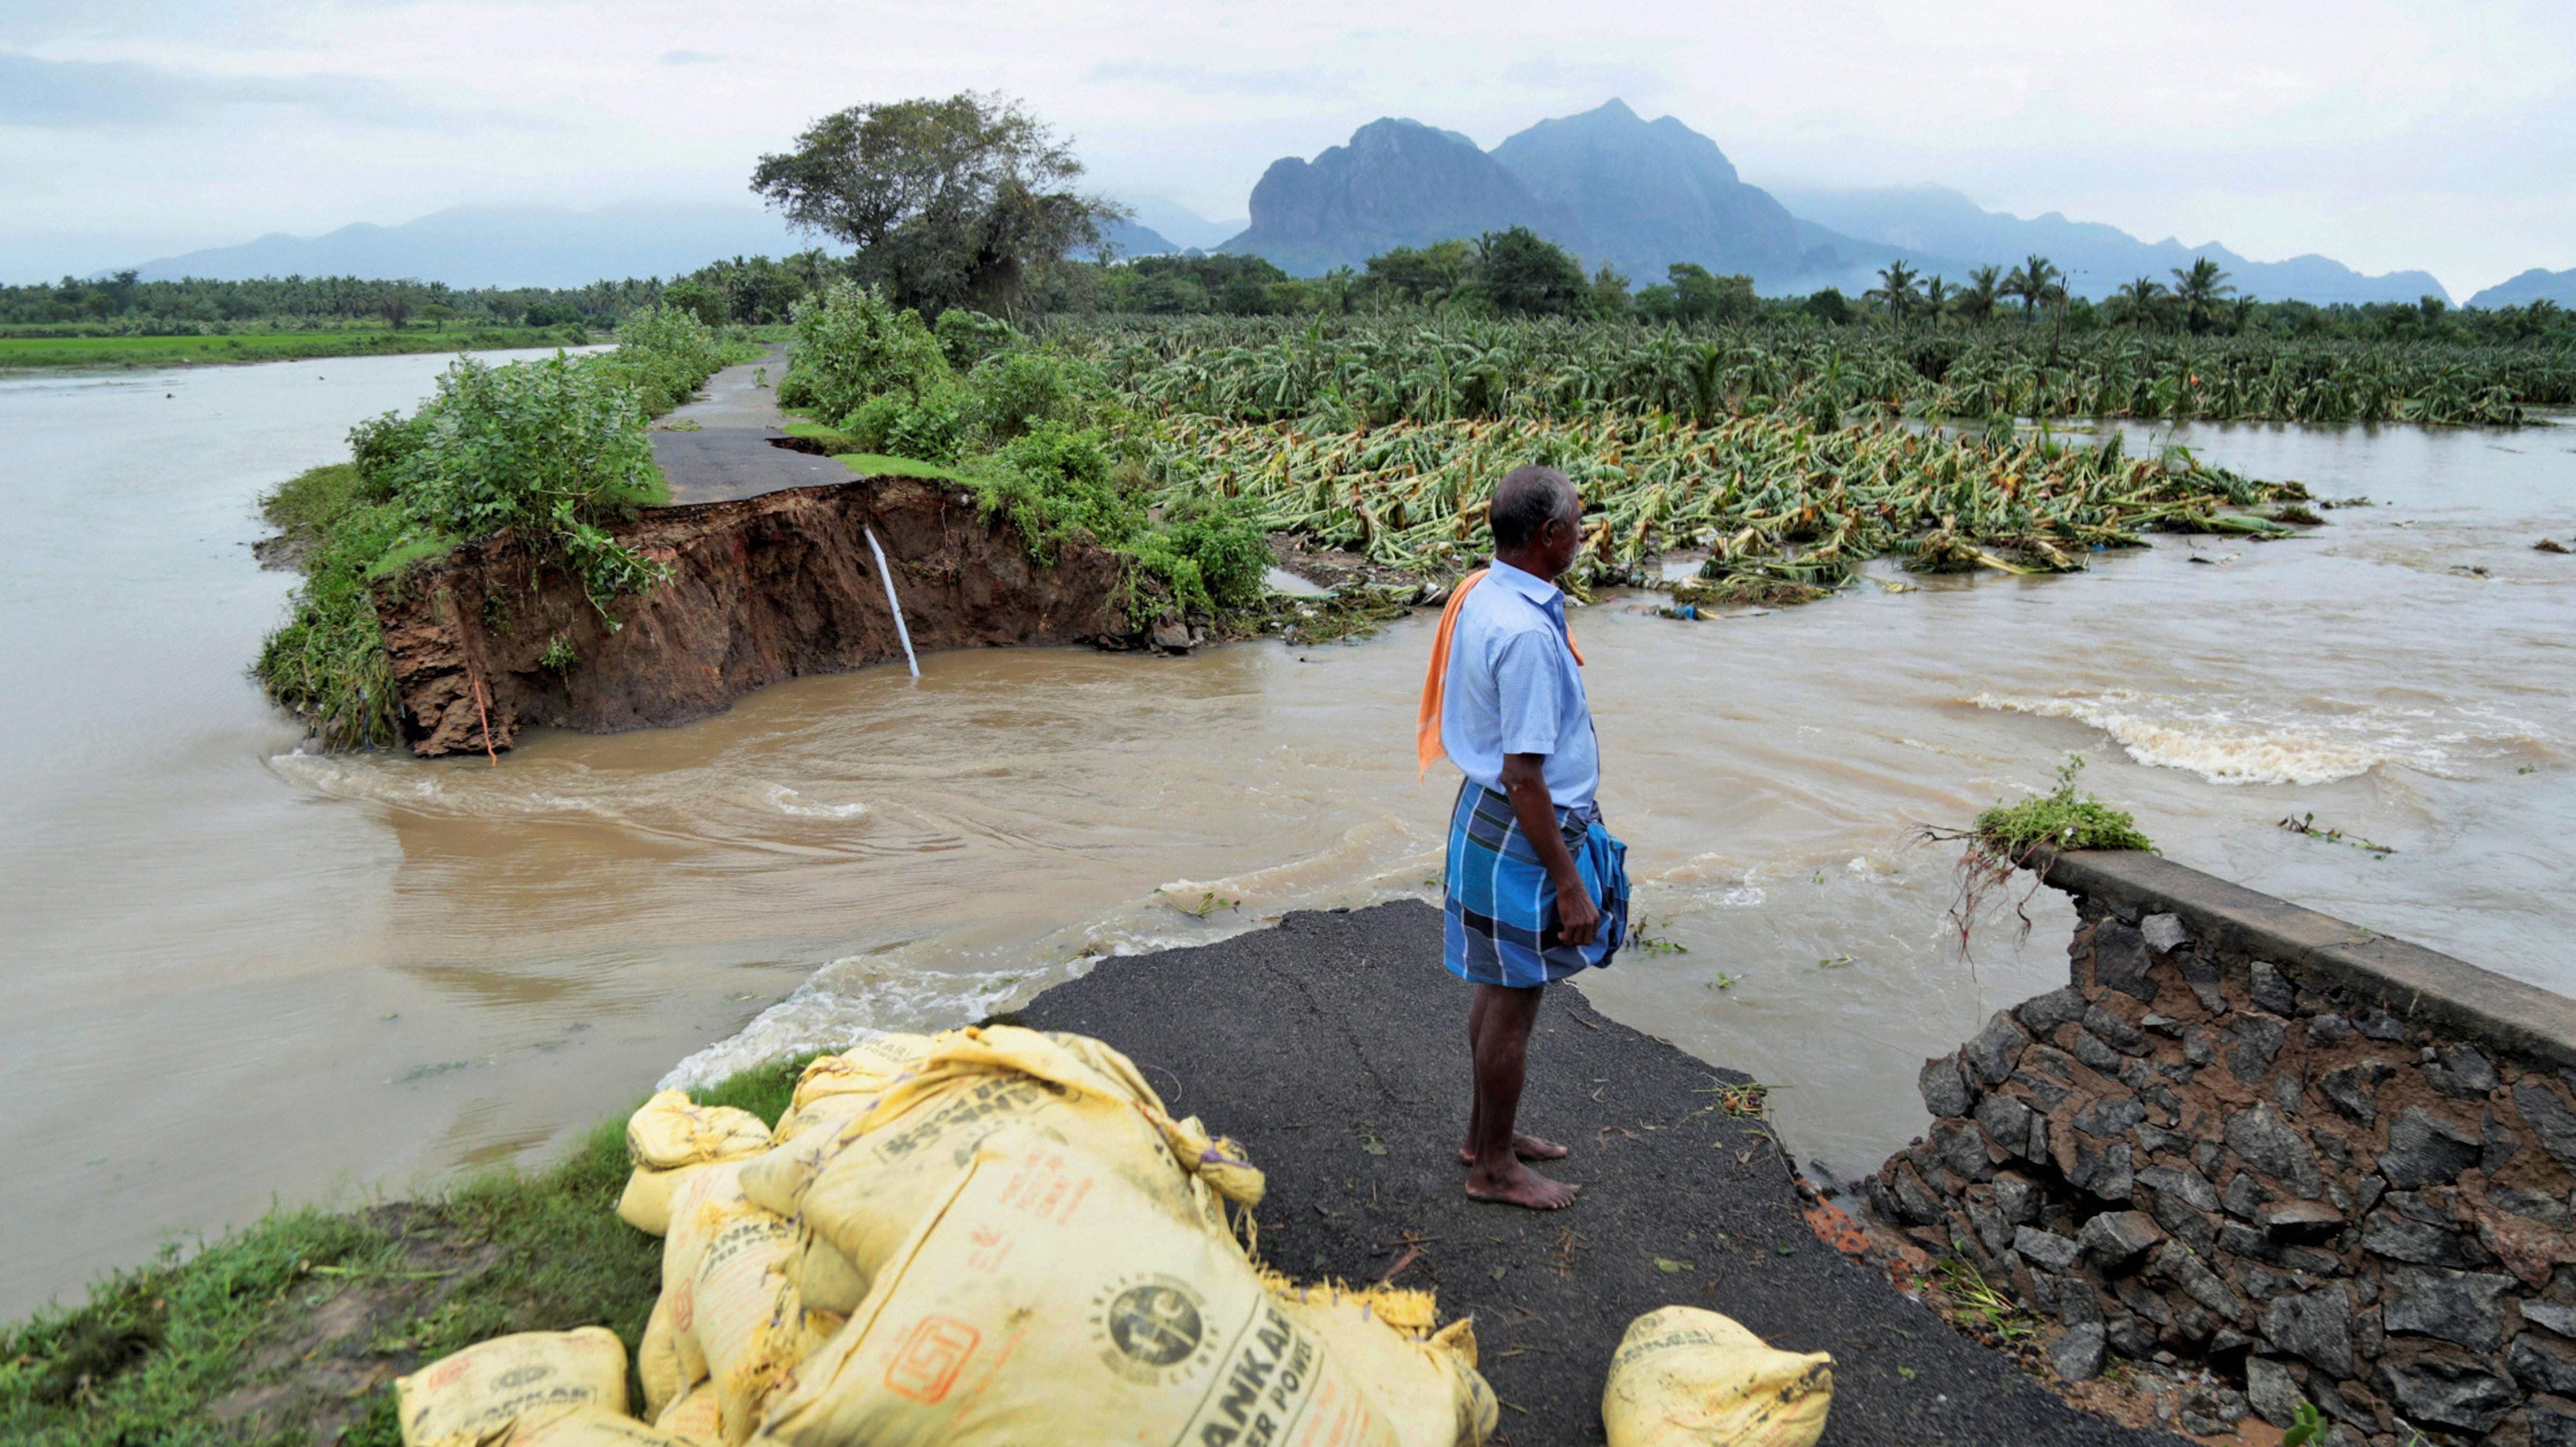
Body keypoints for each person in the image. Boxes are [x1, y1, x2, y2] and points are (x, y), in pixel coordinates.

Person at [1416, 464, 1629, 1209]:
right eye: (1577, 522)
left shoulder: (1483, 591)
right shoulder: (1529, 637)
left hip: (1483, 811)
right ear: (1548, 537)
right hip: (1522, 823)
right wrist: (1570, 881)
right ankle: (1495, 1170)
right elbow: (1527, 776)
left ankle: (1487, 1137)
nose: (1584, 532)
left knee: (1497, 986)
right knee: (1515, 998)